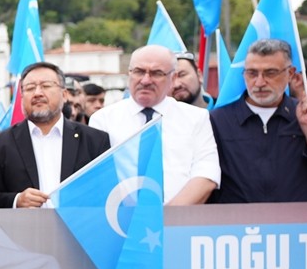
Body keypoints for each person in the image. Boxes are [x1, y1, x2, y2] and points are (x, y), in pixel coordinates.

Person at [209, 38, 307, 204]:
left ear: (290, 73)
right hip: (236, 220)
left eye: (270, 73)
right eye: (252, 73)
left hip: (298, 220)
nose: (259, 82)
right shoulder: (217, 121)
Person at [88, 44, 221, 205]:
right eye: (139, 71)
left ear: (172, 78)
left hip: (181, 216)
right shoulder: (103, 120)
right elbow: (95, 180)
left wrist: (168, 215)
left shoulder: (196, 118)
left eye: (156, 73)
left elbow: (206, 174)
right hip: (120, 217)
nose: (145, 80)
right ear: (129, 74)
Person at [0, 62, 110, 209]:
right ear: (21, 97)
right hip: (24, 223)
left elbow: (106, 195)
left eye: (46, 86)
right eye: (30, 88)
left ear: (64, 95)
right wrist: (17, 200)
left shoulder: (94, 141)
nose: (37, 93)